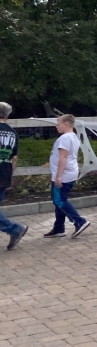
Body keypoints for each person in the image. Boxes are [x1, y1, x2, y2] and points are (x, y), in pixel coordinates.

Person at [43, 114, 90, 239]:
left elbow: (63, 157)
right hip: (70, 173)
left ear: (66, 124)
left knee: (59, 200)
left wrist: (58, 176)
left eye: (58, 124)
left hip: (64, 174)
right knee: (59, 200)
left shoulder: (64, 138)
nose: (56, 126)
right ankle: (59, 228)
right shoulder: (73, 137)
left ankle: (79, 221)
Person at [0, 102, 28, 250]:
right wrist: (10, 174)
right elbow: (14, 158)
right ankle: (14, 230)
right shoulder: (13, 133)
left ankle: (15, 229)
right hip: (4, 173)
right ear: (7, 115)